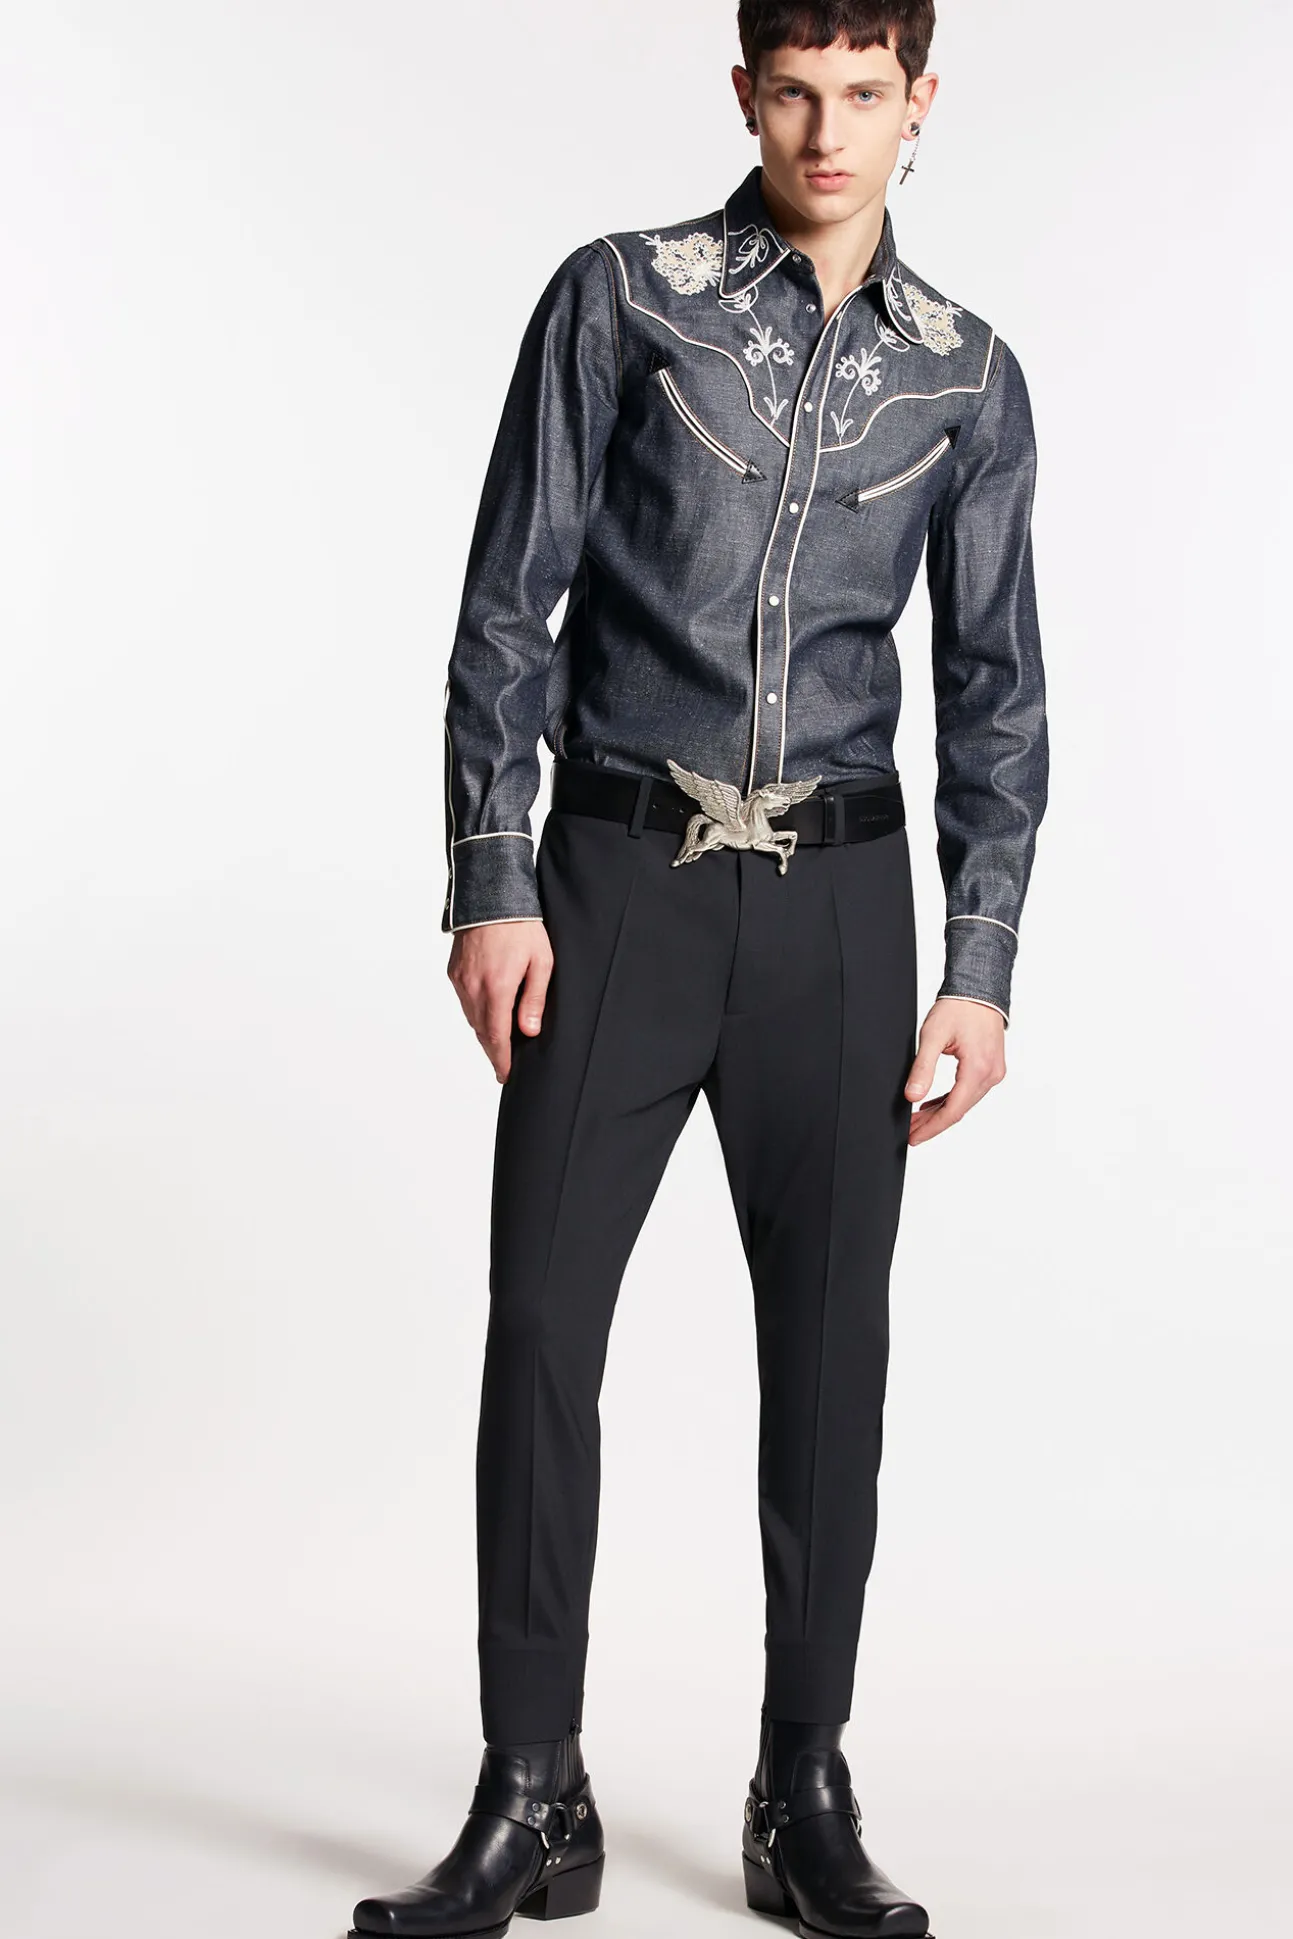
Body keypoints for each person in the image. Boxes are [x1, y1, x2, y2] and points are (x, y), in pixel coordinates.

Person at [349, 3, 1047, 1934]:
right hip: (615, 884)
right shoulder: (622, 302)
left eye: (865, 92)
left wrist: (979, 961)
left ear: (920, 98)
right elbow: (509, 608)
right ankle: (531, 1788)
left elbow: (997, 693)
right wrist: (493, 878)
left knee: (831, 1354)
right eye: (795, 90)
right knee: (542, 1325)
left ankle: (801, 1785)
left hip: (842, 905)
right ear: (745, 91)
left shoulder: (969, 377)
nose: (828, 131)